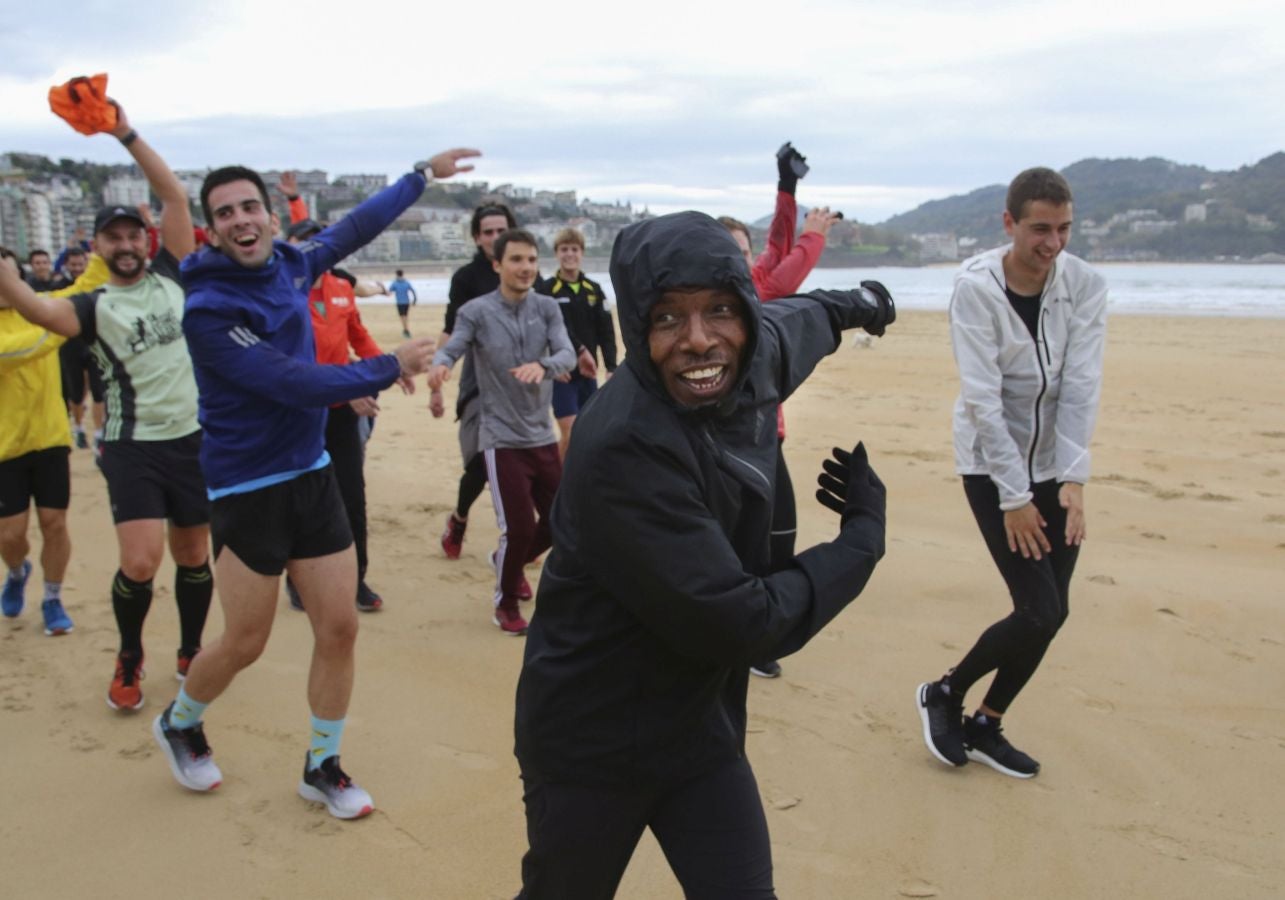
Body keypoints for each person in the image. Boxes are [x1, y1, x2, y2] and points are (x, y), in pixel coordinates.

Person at [512, 211, 895, 898]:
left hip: (697, 731)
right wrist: (860, 545)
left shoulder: (751, 357)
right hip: (592, 742)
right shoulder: (624, 450)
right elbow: (743, 622)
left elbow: (804, 320)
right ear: (637, 324)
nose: (698, 340)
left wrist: (863, 304)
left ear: (743, 309)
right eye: (666, 318)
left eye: (719, 309)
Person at [152, 147, 475, 820]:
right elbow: (290, 384)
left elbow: (355, 228)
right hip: (245, 488)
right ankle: (181, 721)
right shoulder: (208, 309)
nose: (240, 220)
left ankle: (321, 765)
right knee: (245, 642)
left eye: (248, 207)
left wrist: (418, 175)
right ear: (210, 230)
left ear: (269, 216)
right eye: (224, 214)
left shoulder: (291, 262)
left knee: (338, 628)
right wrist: (386, 365)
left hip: (311, 475)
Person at [0, 102, 212, 711]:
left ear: (146, 240)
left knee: (194, 554)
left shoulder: (173, 273)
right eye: (112, 237)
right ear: (96, 245)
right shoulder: (91, 305)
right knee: (142, 563)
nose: (125, 245)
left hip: (193, 440)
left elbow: (173, 196)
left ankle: (191, 648)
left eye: (132, 235)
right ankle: (129, 656)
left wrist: (124, 132)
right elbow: (37, 309)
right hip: (131, 446)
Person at [916, 167, 1108, 779]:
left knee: (1055, 610)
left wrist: (1072, 479)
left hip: (1054, 464)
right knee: (1036, 611)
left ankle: (986, 723)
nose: (1052, 244)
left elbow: (1080, 386)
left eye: (1064, 229)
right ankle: (945, 692)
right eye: (1039, 229)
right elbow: (983, 398)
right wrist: (1014, 495)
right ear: (1009, 224)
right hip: (990, 463)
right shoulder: (976, 289)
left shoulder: (1084, 285)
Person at [721, 141, 842, 680]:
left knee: (778, 534)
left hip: (768, 435)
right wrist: (815, 233)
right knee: (741, 541)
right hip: (730, 443)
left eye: (743, 250)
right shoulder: (736, 297)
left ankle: (753, 628)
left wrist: (786, 188)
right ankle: (738, 635)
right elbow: (783, 275)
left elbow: (775, 249)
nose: (745, 258)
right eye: (731, 250)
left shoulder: (750, 279)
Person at [428, 229, 575, 635]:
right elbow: (454, 346)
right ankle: (505, 603)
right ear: (497, 265)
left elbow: (565, 352)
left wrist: (543, 366)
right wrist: (440, 365)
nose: (526, 267)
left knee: (561, 519)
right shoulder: (476, 311)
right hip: (500, 437)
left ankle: (505, 560)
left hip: (540, 435)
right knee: (519, 526)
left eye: (531, 260)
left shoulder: (546, 308)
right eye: (516, 260)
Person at [278, 182, 391, 613]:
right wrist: (351, 383)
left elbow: (360, 338)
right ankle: (297, 581)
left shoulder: (341, 289)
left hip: (342, 413)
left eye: (315, 245)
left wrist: (386, 371)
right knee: (301, 501)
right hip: (298, 413)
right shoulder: (280, 297)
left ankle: (357, 579)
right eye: (300, 245)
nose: (310, 253)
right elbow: (289, 365)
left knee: (351, 497)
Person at [435, 202, 517, 560]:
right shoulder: (467, 278)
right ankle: (460, 518)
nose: (495, 238)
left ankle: (512, 549)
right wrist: (437, 381)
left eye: (502, 230)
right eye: (488, 232)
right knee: (483, 461)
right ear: (476, 237)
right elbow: (450, 331)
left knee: (514, 467)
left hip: (522, 386)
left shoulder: (526, 271)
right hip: (479, 384)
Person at [0, 245, 74, 636]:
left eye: (10, 277)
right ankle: (16, 571)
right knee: (10, 535)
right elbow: (30, 345)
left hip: (50, 439)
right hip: (4, 448)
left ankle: (52, 597)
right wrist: (57, 325)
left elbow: (87, 286)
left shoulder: (44, 305)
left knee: (54, 524)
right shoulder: (44, 318)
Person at [536, 226, 616, 458]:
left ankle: (580, 484)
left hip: (588, 375)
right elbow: (542, 331)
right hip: (562, 375)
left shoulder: (594, 290)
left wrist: (611, 367)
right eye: (564, 249)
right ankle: (560, 487)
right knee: (570, 431)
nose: (569, 254)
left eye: (574, 249)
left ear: (582, 253)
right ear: (556, 253)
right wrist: (550, 363)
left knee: (589, 432)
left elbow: (606, 331)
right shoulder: (546, 289)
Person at [387, 269, 417, 338]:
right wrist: (415, 300)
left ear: (397, 275)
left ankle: (406, 330)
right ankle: (406, 330)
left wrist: (382, 291)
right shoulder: (406, 282)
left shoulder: (395, 283)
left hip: (400, 303)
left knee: (402, 317)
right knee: (405, 316)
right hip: (406, 302)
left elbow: (389, 292)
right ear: (402, 274)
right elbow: (413, 291)